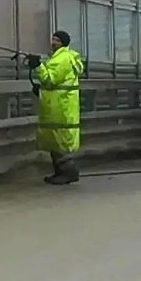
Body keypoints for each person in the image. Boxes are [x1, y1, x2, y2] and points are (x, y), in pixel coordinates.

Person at [26, 30, 84, 185]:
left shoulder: (62, 59)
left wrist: (38, 66)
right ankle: (61, 172)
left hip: (60, 107)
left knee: (59, 140)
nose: (53, 42)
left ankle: (68, 172)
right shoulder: (61, 57)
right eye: (53, 38)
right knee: (56, 140)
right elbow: (55, 83)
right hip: (60, 105)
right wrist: (41, 89)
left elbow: (50, 79)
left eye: (57, 40)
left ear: (63, 43)